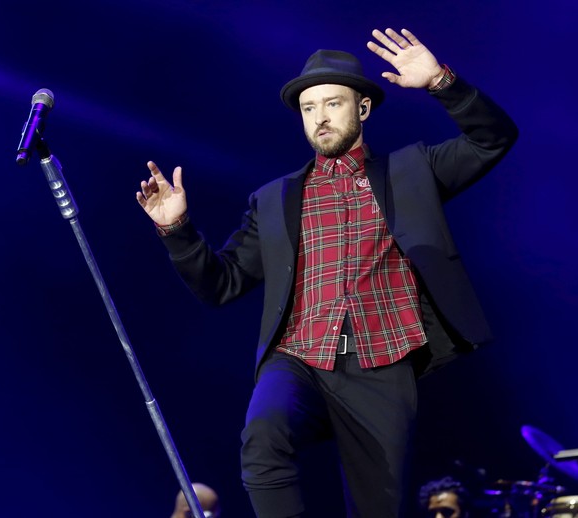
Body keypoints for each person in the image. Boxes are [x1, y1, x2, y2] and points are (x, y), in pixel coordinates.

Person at [135, 27, 517, 518]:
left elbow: (494, 138)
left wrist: (440, 82)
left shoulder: (411, 171)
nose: (319, 117)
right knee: (262, 437)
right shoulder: (274, 199)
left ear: (362, 109)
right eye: (309, 108)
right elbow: (221, 284)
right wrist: (179, 231)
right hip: (298, 357)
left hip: (382, 361)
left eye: (332, 104)